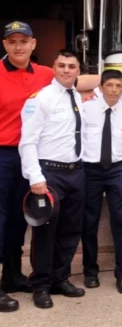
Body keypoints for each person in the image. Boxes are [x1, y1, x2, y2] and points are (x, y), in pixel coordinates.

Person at [19, 51, 87, 309]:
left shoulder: (77, 97)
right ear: (53, 68)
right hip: (50, 174)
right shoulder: (41, 99)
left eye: (72, 66)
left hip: (75, 172)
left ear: (78, 70)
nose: (67, 70)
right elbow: (27, 141)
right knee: (46, 232)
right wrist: (35, 177)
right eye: (62, 66)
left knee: (71, 230)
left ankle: (61, 278)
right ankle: (41, 285)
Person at [0, 21, 54, 311]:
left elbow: (76, 79)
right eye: (12, 41)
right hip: (2, 155)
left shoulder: (45, 74)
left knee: (20, 219)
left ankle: (11, 276)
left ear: (33, 44)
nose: (18, 46)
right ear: (5, 45)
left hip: (28, 157)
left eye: (24, 41)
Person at [80, 70, 122, 294]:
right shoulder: (86, 108)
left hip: (117, 171)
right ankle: (90, 271)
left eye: (118, 86)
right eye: (110, 85)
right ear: (101, 87)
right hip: (90, 171)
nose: (114, 90)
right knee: (89, 222)